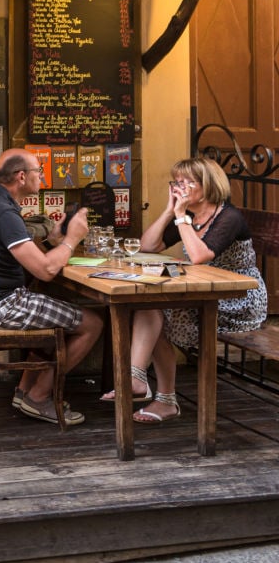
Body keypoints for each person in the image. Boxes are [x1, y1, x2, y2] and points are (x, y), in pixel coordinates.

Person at [101, 157, 267, 423]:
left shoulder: (228, 216)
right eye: (177, 182)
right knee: (148, 304)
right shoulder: (190, 215)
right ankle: (138, 379)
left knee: (160, 314)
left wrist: (180, 217)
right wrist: (170, 211)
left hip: (238, 299)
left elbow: (201, 255)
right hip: (203, 291)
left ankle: (160, 396)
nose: (181, 187)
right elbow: (148, 246)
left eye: (188, 181)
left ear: (208, 184)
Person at [0, 148, 104, 426]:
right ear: (21, 176)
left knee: (50, 307)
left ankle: (24, 391)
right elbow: (47, 270)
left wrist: (52, 238)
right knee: (93, 323)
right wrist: (71, 239)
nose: (43, 177)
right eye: (39, 171)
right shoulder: (5, 214)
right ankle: (39, 396)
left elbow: (24, 254)